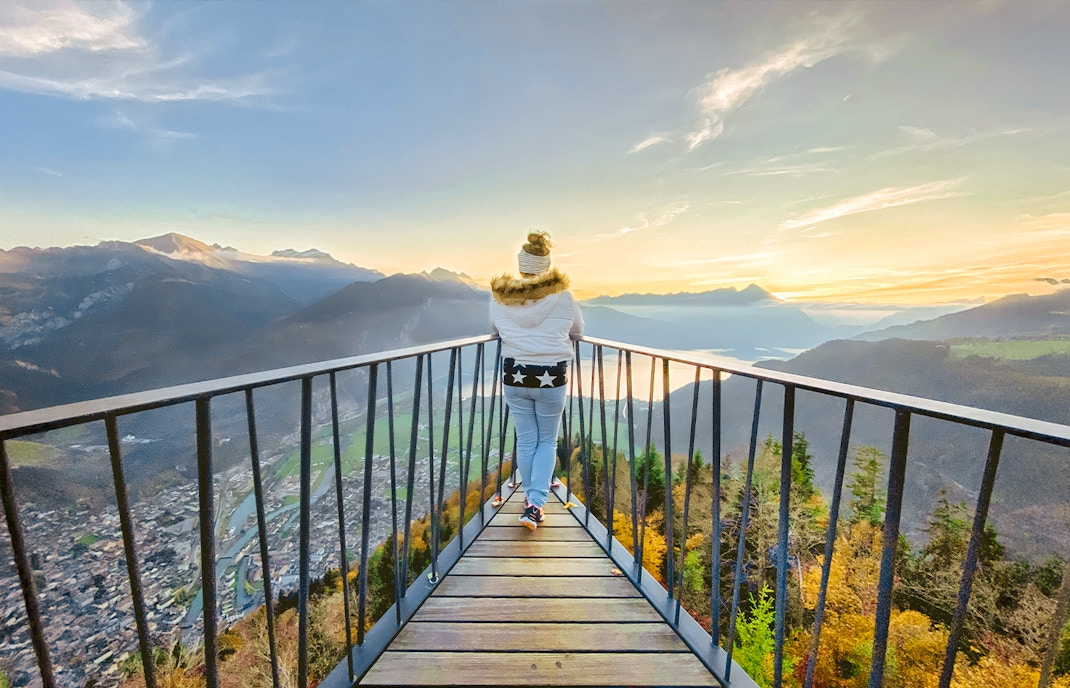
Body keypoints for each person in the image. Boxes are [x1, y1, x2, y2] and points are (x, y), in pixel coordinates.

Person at [490, 230, 584, 530]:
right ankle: (535, 505)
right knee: (546, 440)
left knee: (527, 440)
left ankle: (531, 500)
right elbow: (578, 330)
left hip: (514, 376)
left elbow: (493, 328)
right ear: (547, 268)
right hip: (551, 377)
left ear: (520, 267)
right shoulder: (564, 298)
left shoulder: (500, 299)